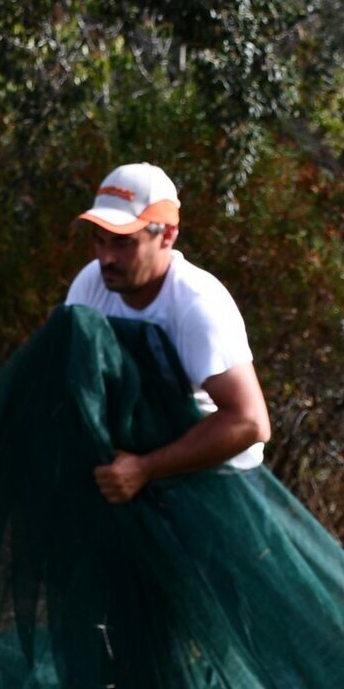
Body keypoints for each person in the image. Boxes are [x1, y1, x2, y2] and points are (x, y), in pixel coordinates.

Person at [64, 163, 271, 504]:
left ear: (167, 235)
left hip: (219, 485)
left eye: (123, 243)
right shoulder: (91, 283)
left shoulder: (197, 305)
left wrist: (145, 468)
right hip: (132, 473)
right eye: (98, 241)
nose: (107, 258)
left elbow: (249, 422)